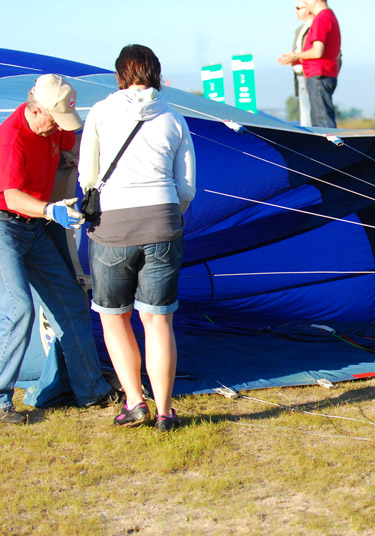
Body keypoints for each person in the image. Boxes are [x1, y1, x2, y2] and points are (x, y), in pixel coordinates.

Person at [79, 45, 196, 431]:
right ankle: (165, 411)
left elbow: (88, 176)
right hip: (163, 221)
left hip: (113, 225)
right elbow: (186, 188)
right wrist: (167, 213)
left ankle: (134, 401)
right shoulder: (175, 117)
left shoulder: (99, 112)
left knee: (115, 318)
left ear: (119, 75)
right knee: (158, 320)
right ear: (157, 75)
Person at [0, 74, 120, 424]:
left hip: (33, 227)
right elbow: (11, 196)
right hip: (6, 225)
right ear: (36, 111)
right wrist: (49, 209)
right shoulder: (12, 139)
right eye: (54, 121)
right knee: (19, 310)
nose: (58, 130)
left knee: (70, 301)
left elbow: (76, 142)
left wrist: (86, 161)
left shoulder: (53, 127)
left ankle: (91, 389)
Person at [278, 0, 341, 128]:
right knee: (319, 120)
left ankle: (329, 148)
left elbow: (317, 52)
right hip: (324, 73)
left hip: (319, 75)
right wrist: (295, 60)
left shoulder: (321, 18)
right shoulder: (328, 16)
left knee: (322, 123)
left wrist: (295, 55)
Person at [289, 2, 314, 126]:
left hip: (313, 76)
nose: (295, 11)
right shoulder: (299, 30)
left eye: (298, 8)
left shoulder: (317, 26)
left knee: (317, 117)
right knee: (306, 119)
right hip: (300, 77)